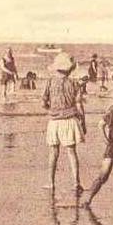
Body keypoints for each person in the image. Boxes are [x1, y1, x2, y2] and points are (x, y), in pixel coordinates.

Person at [42, 51, 85, 196]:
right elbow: (79, 105)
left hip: (54, 121)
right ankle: (76, 182)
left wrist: (51, 109)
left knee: (53, 153)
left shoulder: (49, 82)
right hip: (70, 119)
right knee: (71, 152)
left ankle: (50, 182)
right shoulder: (74, 83)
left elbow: (44, 102)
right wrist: (83, 122)